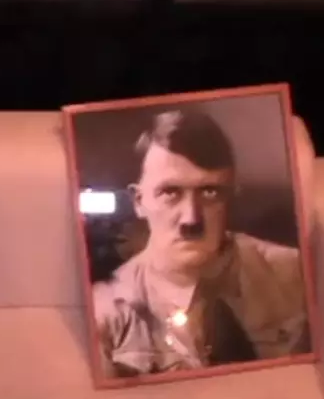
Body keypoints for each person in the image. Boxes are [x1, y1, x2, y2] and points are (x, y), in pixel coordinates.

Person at [92, 109, 310, 378]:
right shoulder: (107, 310)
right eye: (170, 192)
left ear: (231, 197)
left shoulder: (296, 275)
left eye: (210, 192)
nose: (191, 219)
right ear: (139, 202)